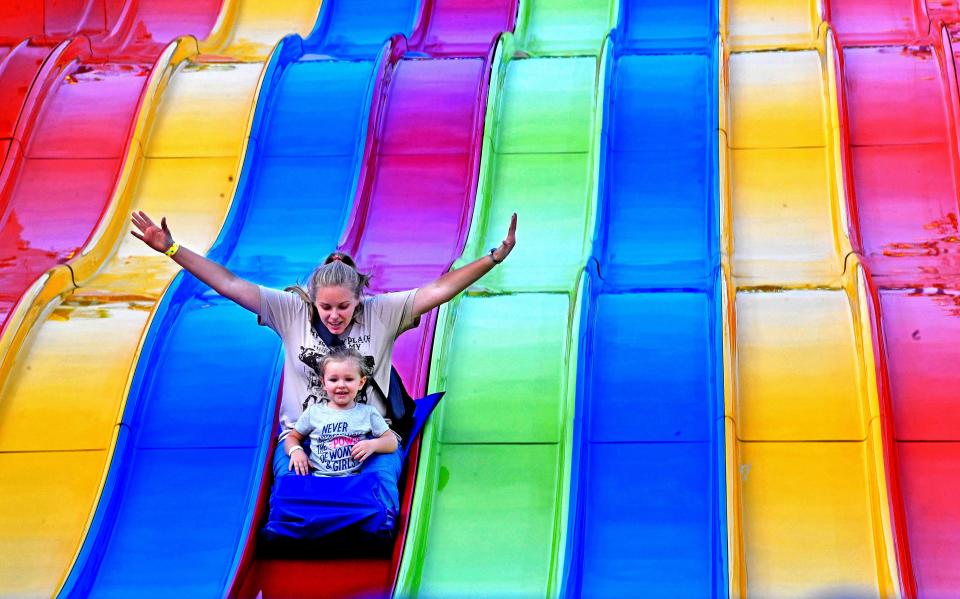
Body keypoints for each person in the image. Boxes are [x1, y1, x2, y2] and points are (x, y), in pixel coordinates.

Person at [130, 209, 516, 494]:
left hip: (370, 435)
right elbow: (229, 283)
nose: (334, 316)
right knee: (292, 499)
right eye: (325, 307)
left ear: (358, 301)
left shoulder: (381, 313)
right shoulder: (289, 310)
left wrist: (493, 258)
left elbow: (437, 290)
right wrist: (172, 249)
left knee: (378, 500)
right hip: (305, 438)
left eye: (343, 307)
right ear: (311, 301)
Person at [284, 346, 396, 477]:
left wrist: (373, 445)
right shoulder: (313, 412)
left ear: (361, 383)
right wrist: (296, 451)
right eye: (333, 380)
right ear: (324, 383)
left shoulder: (368, 413)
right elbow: (292, 437)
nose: (341, 385)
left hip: (353, 482)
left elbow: (391, 442)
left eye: (348, 379)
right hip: (318, 480)